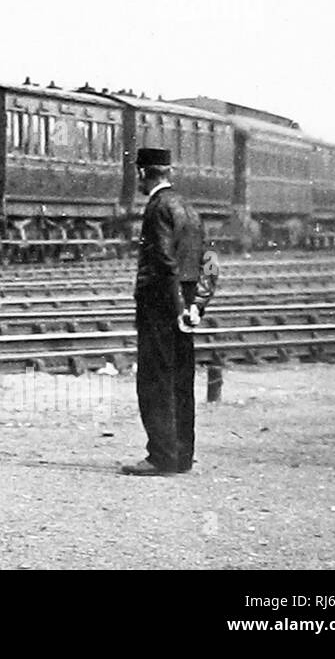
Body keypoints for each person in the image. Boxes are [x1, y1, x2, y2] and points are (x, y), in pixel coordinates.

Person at [122, 147, 205, 476]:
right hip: (185, 301)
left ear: (144, 173)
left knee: (156, 380)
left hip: (161, 305)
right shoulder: (187, 206)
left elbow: (165, 263)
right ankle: (182, 455)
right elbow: (203, 261)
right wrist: (193, 307)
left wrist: (173, 308)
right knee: (181, 379)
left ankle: (160, 456)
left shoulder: (157, 208)